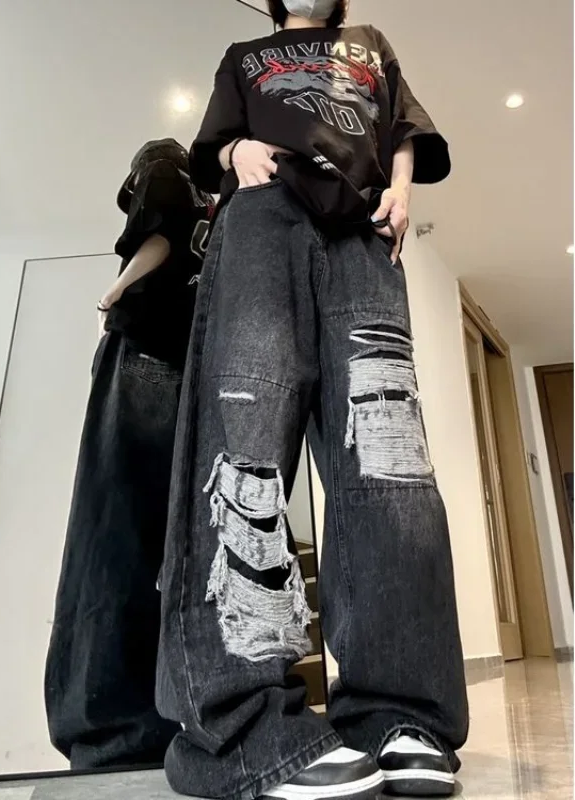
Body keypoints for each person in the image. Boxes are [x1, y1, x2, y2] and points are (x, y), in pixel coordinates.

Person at [155, 1, 470, 799]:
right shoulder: (245, 53)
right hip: (262, 222)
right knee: (245, 443)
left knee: (389, 463)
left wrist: (402, 191)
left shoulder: (370, 46)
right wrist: (239, 151)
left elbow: (402, 127)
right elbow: (213, 146)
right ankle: (239, 728)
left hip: (363, 229)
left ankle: (402, 714)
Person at [44, 139, 214, 770]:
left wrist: (114, 292)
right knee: (178, 547)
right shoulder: (220, 210)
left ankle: (109, 730)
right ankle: (177, 715)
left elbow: (157, 236)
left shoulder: (164, 170)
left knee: (110, 534)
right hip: (194, 368)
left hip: (143, 351)